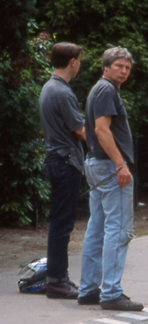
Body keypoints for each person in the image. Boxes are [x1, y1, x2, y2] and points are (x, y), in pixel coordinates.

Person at [78, 47, 143, 311]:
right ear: (106, 66)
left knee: (96, 228)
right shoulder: (106, 90)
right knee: (118, 230)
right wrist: (120, 165)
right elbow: (101, 130)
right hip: (108, 167)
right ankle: (112, 293)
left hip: (95, 164)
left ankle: (88, 289)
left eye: (127, 67)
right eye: (119, 66)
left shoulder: (99, 89)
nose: (124, 71)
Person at [39, 43, 86, 299]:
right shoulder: (63, 92)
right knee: (62, 223)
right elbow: (80, 130)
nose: (80, 64)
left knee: (59, 222)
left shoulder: (49, 87)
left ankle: (55, 278)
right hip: (66, 161)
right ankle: (58, 281)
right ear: (72, 62)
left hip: (54, 159)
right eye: (79, 60)